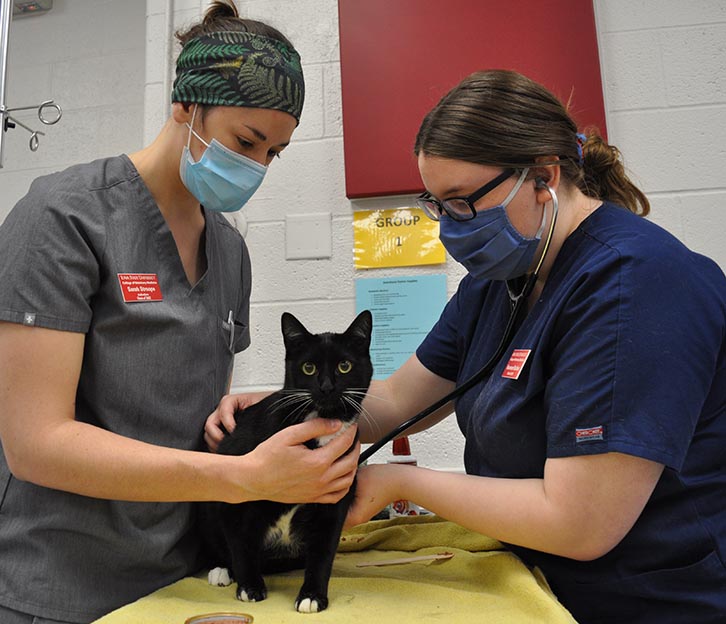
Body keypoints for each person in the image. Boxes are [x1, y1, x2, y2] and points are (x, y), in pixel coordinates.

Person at [209, 69, 726, 623]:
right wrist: (289, 409)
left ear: (543, 177)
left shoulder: (637, 286)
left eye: (460, 202)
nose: (448, 229)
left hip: (646, 600)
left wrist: (398, 482)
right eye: (436, 205)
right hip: (531, 581)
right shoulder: (495, 286)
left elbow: (582, 524)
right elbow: (397, 402)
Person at [0, 2, 358, 623]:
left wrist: (238, 416)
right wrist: (246, 478)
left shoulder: (230, 250)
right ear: (185, 106)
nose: (255, 167)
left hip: (186, 575)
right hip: (63, 581)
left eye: (273, 153)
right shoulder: (64, 218)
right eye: (246, 141)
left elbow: (187, 409)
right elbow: (35, 445)